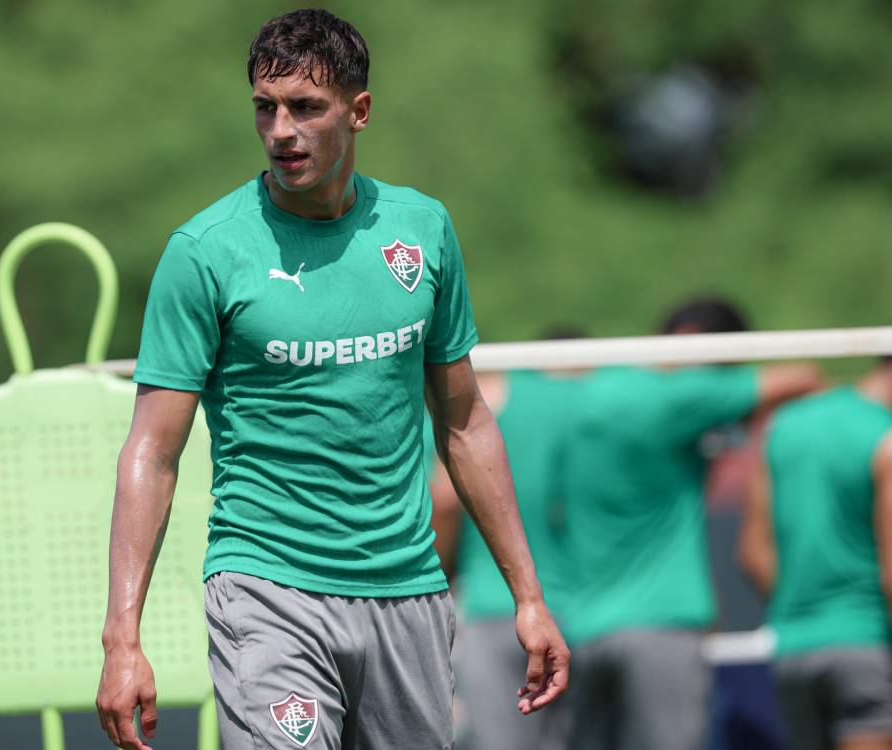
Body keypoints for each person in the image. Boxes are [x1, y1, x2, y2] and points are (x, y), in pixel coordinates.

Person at [95, 9, 569, 750]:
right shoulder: (205, 252)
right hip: (268, 588)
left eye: (306, 107)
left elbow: (464, 422)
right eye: (265, 108)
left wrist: (528, 598)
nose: (281, 131)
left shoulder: (423, 229)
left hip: (408, 591)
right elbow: (151, 452)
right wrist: (122, 640)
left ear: (359, 110)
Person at [560, 297, 823, 750]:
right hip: (664, 625)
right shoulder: (678, 396)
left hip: (580, 628)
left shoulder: (597, 389)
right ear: (693, 342)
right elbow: (804, 378)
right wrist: (736, 407)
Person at [429, 328, 586, 750]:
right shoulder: (591, 405)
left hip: (493, 607)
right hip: (585, 609)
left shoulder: (489, 396)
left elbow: (444, 500)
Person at [738, 354, 892, 750]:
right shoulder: (886, 437)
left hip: (793, 650)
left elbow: (753, 552)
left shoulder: (784, 426)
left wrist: (809, 610)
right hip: (868, 645)